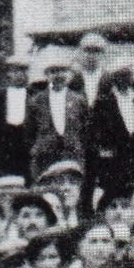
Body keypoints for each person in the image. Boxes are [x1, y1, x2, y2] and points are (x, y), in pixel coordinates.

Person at [86, 62, 134, 209]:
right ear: (114, 79)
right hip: (112, 157)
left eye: (127, 75)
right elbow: (94, 130)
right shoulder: (103, 101)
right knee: (110, 194)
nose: (124, 79)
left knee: (132, 192)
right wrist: (103, 150)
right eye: (120, 76)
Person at [28, 52, 88, 184]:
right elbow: (29, 132)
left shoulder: (79, 100)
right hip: (45, 157)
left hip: (72, 155)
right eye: (53, 71)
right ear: (47, 75)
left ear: (69, 74)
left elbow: (85, 130)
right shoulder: (36, 101)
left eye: (62, 71)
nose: (58, 75)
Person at [0, 53, 33, 183]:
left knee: (27, 180)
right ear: (9, 73)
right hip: (5, 145)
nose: (19, 75)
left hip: (26, 144)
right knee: (6, 181)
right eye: (15, 70)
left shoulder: (33, 95)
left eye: (23, 70)